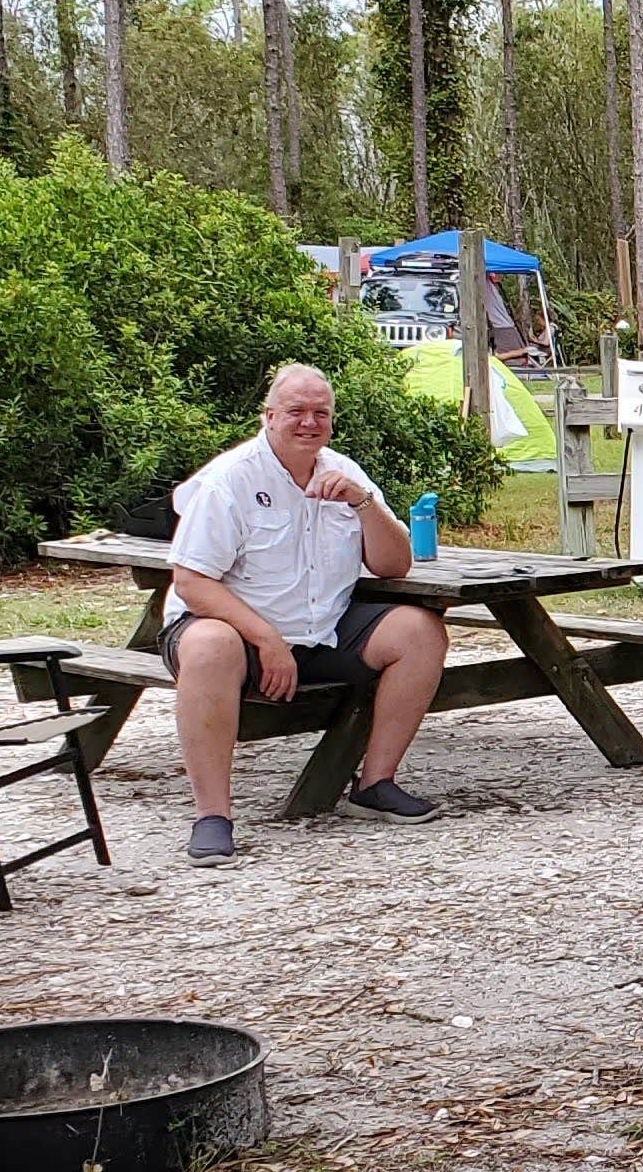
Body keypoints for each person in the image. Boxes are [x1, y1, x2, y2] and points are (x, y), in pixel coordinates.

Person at [162, 365, 449, 859]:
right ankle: (212, 816)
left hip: (322, 631)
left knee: (420, 629)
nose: (309, 423)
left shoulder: (344, 471)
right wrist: (266, 640)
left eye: (321, 413)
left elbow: (393, 565)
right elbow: (191, 582)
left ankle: (375, 783)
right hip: (235, 635)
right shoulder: (230, 479)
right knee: (210, 646)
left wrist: (364, 503)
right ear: (269, 416)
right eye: (296, 411)